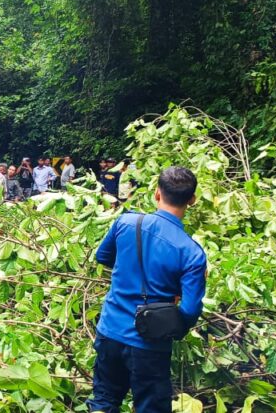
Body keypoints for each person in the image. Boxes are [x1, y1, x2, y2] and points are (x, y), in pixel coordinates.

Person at [87, 167, 207, 413]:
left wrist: (128, 269)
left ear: (156, 194)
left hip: (110, 330)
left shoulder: (126, 222)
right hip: (149, 344)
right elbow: (191, 309)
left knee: (104, 400)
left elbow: (103, 257)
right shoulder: (192, 253)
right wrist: (174, 328)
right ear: (192, 200)